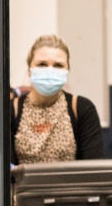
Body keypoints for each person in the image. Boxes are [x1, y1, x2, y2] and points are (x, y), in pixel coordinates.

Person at [11, 35, 103, 164]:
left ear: (67, 70)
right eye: (42, 64)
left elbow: (94, 166)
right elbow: (4, 170)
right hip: (23, 185)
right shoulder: (11, 110)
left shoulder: (82, 109)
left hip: (72, 184)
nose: (50, 71)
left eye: (58, 65)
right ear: (29, 70)